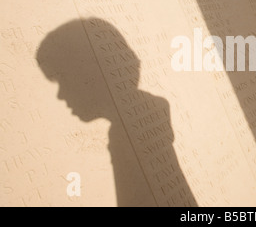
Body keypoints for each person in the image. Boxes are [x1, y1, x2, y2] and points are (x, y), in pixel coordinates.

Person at [36, 17, 197, 206]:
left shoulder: (124, 135)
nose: (61, 95)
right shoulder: (148, 112)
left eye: (63, 80)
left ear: (91, 72)